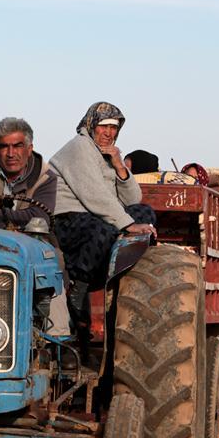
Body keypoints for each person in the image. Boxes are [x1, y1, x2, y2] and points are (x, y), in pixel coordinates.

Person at [49, 101, 157, 354]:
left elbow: (133, 199)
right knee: (107, 229)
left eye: (114, 128)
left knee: (146, 213)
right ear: (91, 125)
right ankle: (80, 286)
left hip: (95, 216)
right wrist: (127, 225)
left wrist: (119, 165)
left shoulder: (106, 154)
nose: (108, 133)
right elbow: (94, 195)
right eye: (103, 126)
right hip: (69, 218)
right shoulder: (80, 147)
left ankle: (116, 269)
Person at [0, 117, 69, 337]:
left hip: (33, 242)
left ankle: (57, 336)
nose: (11, 153)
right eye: (4, 146)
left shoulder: (45, 177)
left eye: (17, 146)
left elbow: (39, 216)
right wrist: (8, 224)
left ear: (29, 149)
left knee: (53, 262)